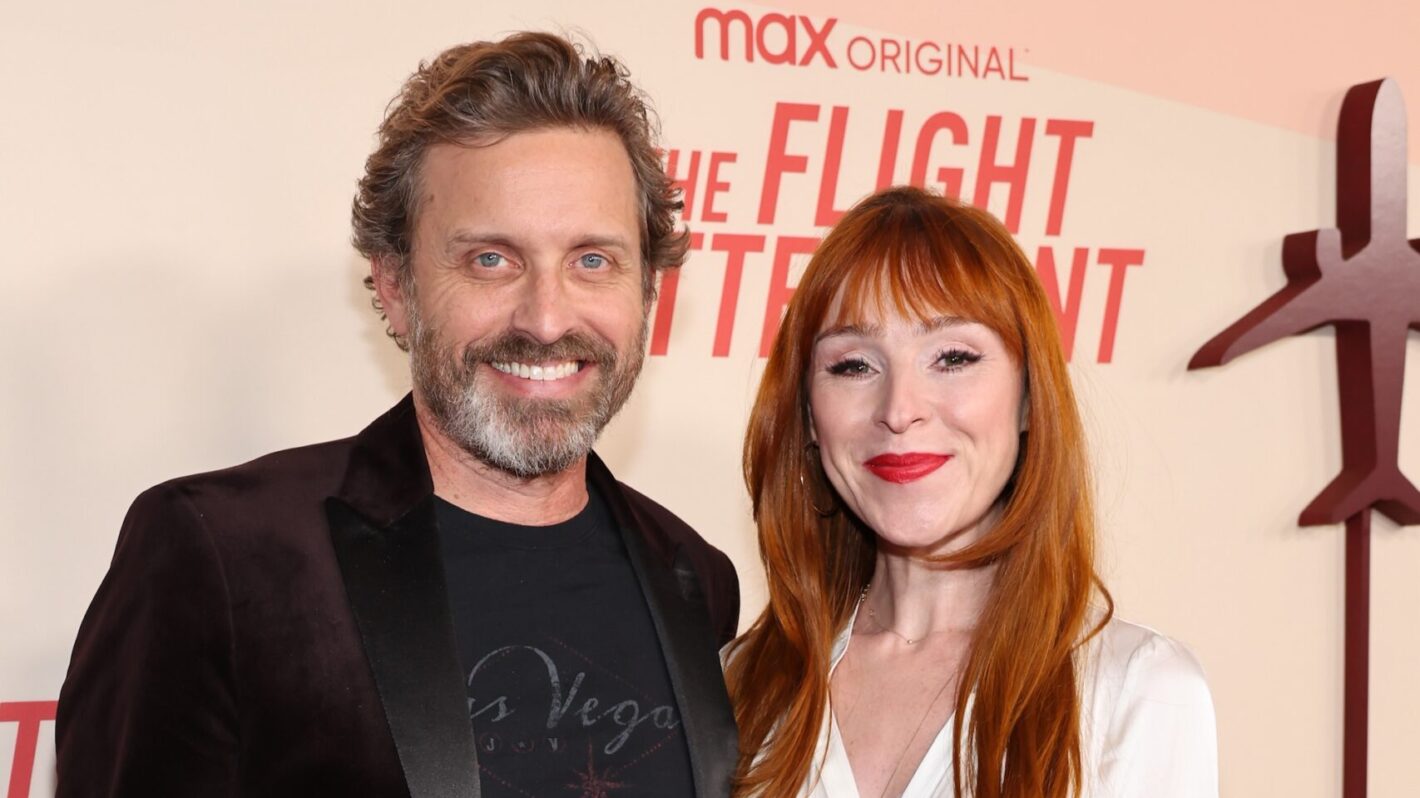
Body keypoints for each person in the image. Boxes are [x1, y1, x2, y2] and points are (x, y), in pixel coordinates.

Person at [56, 32, 739, 798]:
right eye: (491, 259)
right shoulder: (220, 556)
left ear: (647, 292)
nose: (547, 319)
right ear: (395, 288)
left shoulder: (696, 578)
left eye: (592, 260)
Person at [724, 187, 1216, 797]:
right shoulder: (742, 683)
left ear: (1030, 398)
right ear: (806, 418)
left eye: (953, 357)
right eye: (854, 365)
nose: (900, 410)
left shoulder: (1135, 691)